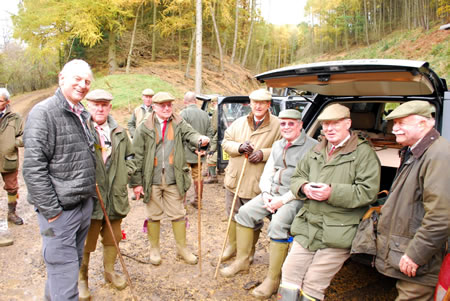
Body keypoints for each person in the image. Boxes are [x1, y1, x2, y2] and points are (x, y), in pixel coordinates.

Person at [278, 103, 381, 301]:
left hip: (339, 230)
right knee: (289, 274)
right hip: (308, 226)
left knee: (313, 283)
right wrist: (304, 187)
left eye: (335, 123)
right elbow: (297, 177)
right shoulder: (318, 149)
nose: (329, 129)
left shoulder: (363, 153)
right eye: (325, 124)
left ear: (348, 124)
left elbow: (368, 193)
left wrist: (332, 192)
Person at [220, 109, 317, 299]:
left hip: (295, 196)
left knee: (278, 224)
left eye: (291, 123)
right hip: (272, 193)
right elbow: (268, 172)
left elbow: (308, 181)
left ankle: (273, 279)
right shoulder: (278, 144)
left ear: (300, 125)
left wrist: (282, 200)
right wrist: (265, 194)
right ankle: (243, 260)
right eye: (283, 123)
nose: (286, 127)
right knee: (245, 213)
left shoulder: (312, 147)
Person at [23, 59, 96, 301]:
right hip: (60, 213)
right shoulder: (43, 113)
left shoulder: (81, 112)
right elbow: (33, 169)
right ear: (61, 78)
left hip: (82, 206)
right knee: (65, 282)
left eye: (87, 81)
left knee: (66, 271)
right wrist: (53, 213)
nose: (83, 85)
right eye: (77, 79)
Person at [375, 101, 450, 301]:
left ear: (423, 124)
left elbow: (441, 216)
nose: (394, 128)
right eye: (394, 123)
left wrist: (416, 254)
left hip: (421, 259)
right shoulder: (417, 151)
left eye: (401, 123)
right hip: (408, 250)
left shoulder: (439, 156)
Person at [131, 92, 210, 266]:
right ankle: (154, 249)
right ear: (154, 107)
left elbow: (192, 135)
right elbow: (136, 156)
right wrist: (136, 183)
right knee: (153, 215)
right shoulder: (144, 126)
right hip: (152, 179)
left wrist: (201, 140)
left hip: (175, 178)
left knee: (179, 214)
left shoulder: (179, 122)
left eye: (169, 105)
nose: (167, 108)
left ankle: (182, 249)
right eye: (162, 105)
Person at [78, 89, 135, 300]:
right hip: (90, 198)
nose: (100, 108)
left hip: (115, 197)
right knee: (85, 242)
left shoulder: (119, 132)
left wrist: (125, 174)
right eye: (96, 104)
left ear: (110, 107)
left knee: (113, 237)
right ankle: (82, 279)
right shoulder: (81, 129)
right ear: (88, 106)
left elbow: (131, 157)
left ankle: (109, 271)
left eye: (104, 104)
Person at [221, 88, 281, 263]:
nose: (258, 106)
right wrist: (239, 147)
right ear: (250, 104)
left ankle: (248, 253)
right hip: (234, 179)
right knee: (232, 214)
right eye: (255, 102)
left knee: (253, 220)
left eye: (262, 103)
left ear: (268, 104)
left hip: (257, 182)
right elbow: (226, 142)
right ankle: (232, 247)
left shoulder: (277, 125)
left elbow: (283, 147)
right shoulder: (239, 122)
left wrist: (264, 153)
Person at [180, 91, 214, 208]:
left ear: (185, 102)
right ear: (195, 101)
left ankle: (182, 204)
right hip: (200, 153)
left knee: (182, 177)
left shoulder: (183, 114)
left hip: (186, 153)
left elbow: (183, 134)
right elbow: (210, 133)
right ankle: (198, 201)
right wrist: (204, 148)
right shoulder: (205, 114)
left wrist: (194, 147)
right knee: (198, 177)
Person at [0, 88, 24, 247]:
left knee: (12, 188)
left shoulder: (15, 118)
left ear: (7, 102)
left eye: (0, 101)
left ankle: (11, 213)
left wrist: (13, 144)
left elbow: (23, 136)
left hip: (9, 159)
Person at [204, 96, 219, 184]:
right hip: (218, 134)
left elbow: (215, 126)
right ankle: (209, 171)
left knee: (211, 154)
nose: (212, 105)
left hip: (216, 135)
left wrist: (211, 134)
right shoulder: (222, 109)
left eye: (213, 103)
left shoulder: (217, 111)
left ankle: (212, 175)